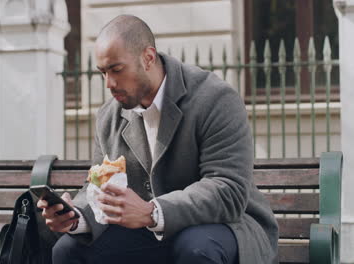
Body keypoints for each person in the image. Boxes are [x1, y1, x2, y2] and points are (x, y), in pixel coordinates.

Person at [37, 14, 279, 264]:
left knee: (196, 248)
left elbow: (227, 188)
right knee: (68, 250)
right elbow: (98, 186)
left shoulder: (215, 99)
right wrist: (77, 217)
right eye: (103, 72)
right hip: (150, 233)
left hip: (227, 227)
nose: (109, 83)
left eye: (116, 70)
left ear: (148, 58)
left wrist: (152, 211)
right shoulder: (110, 115)